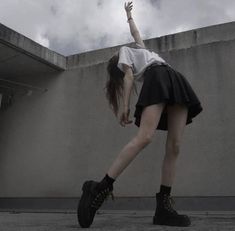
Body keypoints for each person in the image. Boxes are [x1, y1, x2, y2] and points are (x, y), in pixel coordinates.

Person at [77, 1, 203, 228]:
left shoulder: (141, 50)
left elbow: (136, 32)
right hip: (158, 78)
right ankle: (100, 187)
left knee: (175, 145)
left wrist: (128, 15)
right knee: (144, 137)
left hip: (173, 77)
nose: (119, 51)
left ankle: (163, 208)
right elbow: (127, 78)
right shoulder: (125, 54)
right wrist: (125, 106)